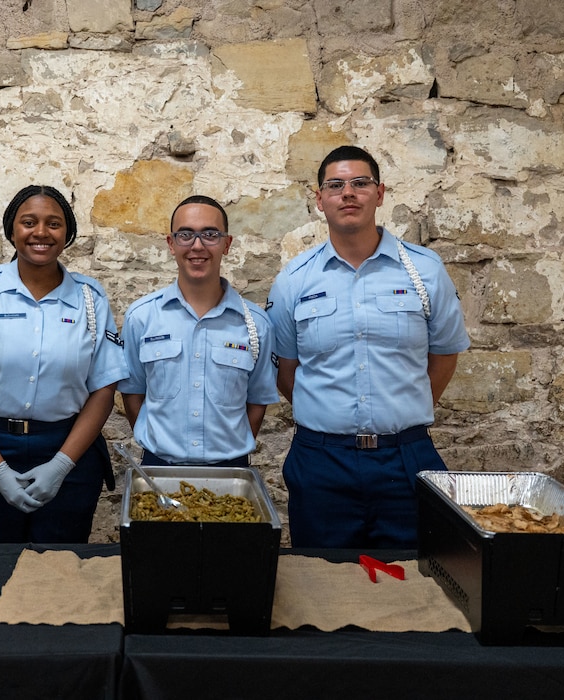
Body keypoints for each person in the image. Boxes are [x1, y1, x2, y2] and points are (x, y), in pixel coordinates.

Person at [267, 146, 470, 549]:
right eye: (336, 185)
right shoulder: (294, 281)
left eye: (360, 183)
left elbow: (445, 355)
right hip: (323, 462)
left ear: (379, 194)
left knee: (416, 583)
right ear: (319, 198)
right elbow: (285, 371)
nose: (348, 193)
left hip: (406, 457)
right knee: (322, 584)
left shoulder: (424, 270)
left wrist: (401, 405)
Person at [0, 185, 128, 544]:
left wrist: (61, 466)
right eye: (28, 222)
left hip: (67, 450)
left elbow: (103, 390)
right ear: (12, 231)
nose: (41, 232)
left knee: (60, 571)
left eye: (53, 223)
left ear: (67, 234)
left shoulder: (90, 297)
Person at [119, 195, 278, 467]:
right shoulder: (142, 317)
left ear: (226, 244)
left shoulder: (256, 324)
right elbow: (133, 392)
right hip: (159, 466)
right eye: (185, 235)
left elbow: (257, 400)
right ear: (171, 244)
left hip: (231, 469)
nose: (197, 245)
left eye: (210, 234)